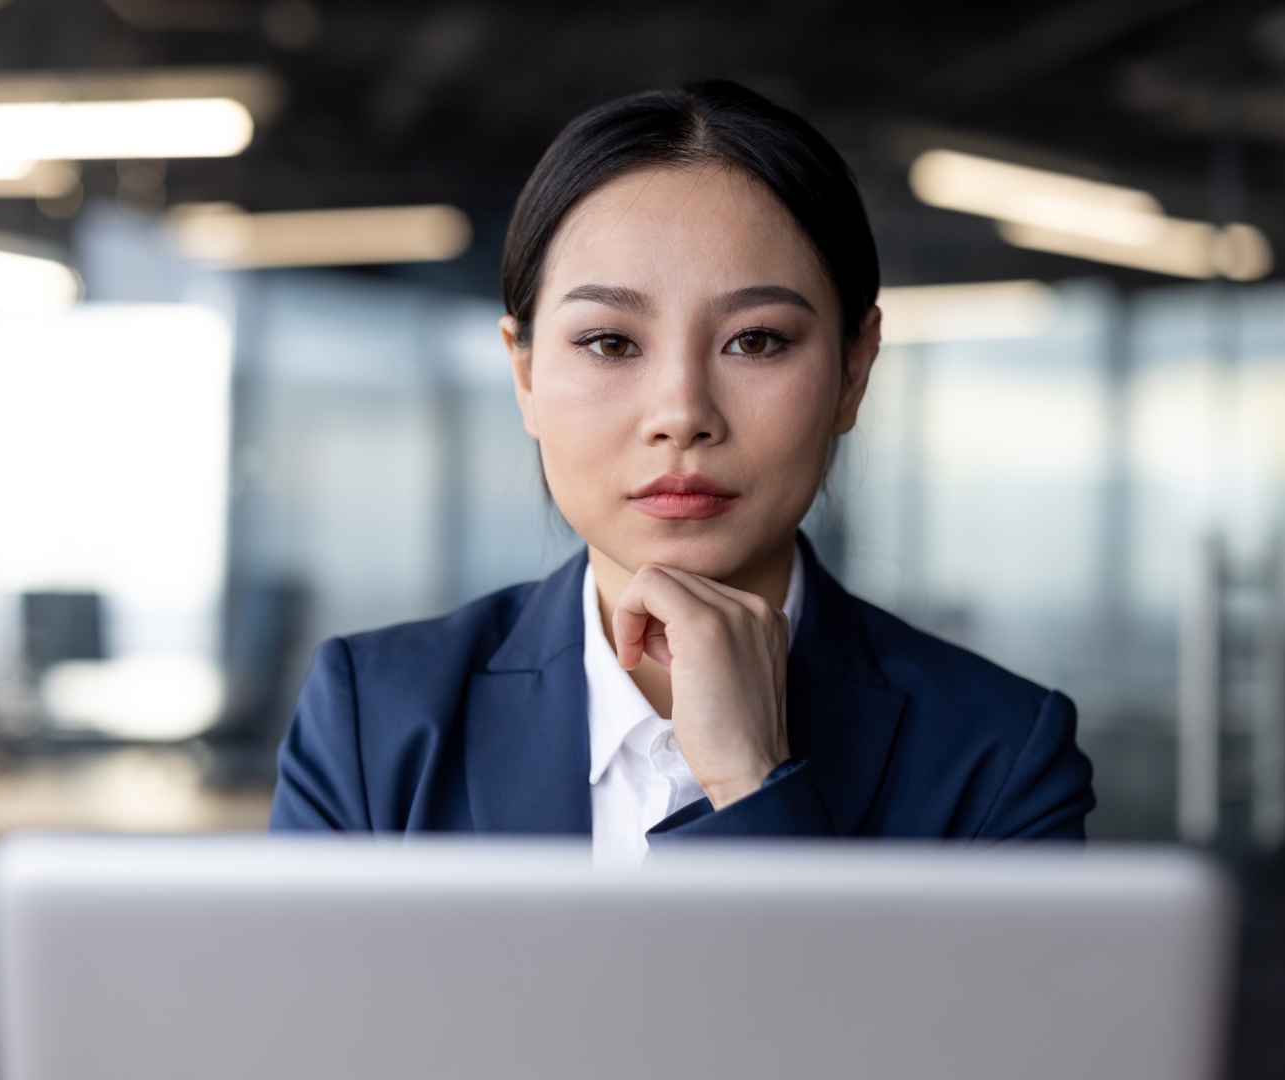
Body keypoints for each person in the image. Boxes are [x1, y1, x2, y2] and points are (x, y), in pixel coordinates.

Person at [269, 81, 1094, 862]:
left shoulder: (1001, 755)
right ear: (525, 377)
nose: (682, 411)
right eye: (609, 342)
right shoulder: (370, 719)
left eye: (757, 340)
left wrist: (752, 782)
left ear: (853, 372)